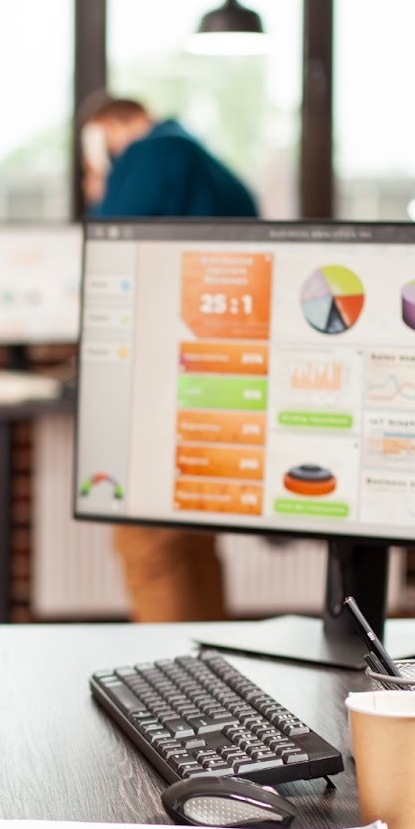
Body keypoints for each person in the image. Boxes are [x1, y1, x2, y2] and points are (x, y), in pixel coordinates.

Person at [79, 96, 260, 622]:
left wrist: (97, 177)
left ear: (111, 128)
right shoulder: (205, 163)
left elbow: (107, 243)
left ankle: (171, 683)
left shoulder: (151, 154)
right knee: (192, 544)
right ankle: (205, 672)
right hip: (215, 375)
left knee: (149, 546)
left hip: (162, 377)